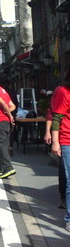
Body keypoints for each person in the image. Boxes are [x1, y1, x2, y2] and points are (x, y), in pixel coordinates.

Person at [51, 65, 70, 231]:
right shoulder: (64, 91)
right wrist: (55, 141)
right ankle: (69, 217)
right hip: (67, 140)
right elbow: (57, 117)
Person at [44, 97, 67, 210]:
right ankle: (64, 198)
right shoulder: (60, 94)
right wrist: (49, 133)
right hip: (65, 137)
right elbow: (52, 115)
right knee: (64, 169)